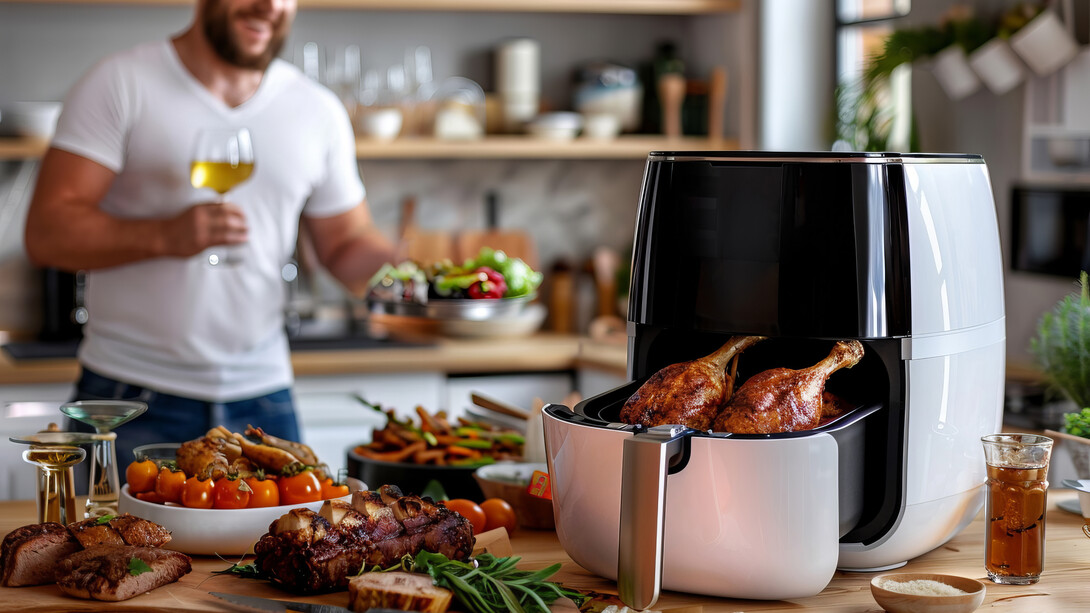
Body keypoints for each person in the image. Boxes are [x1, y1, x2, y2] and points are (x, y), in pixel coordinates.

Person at [22, 0, 396, 473]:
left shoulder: (316, 109)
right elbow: (46, 233)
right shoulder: (120, 82)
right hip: (132, 397)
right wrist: (166, 236)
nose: (268, 5)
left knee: (283, 548)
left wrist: (409, 276)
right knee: (113, 548)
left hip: (265, 401)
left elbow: (345, 244)